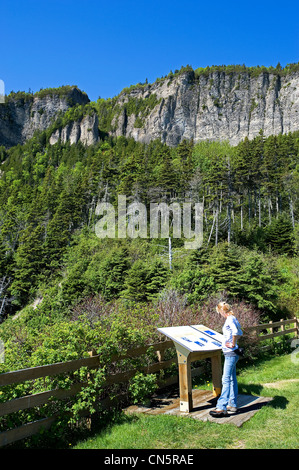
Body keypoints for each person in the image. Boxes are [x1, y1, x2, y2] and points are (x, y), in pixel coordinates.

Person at [209, 301, 243, 418]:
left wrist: (232, 343)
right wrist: (232, 341)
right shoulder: (233, 318)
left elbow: (235, 332)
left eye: (219, 312)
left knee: (225, 379)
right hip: (232, 353)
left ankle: (221, 407)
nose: (220, 315)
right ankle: (232, 404)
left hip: (230, 353)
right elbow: (240, 332)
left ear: (222, 311)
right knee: (232, 379)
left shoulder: (229, 319)